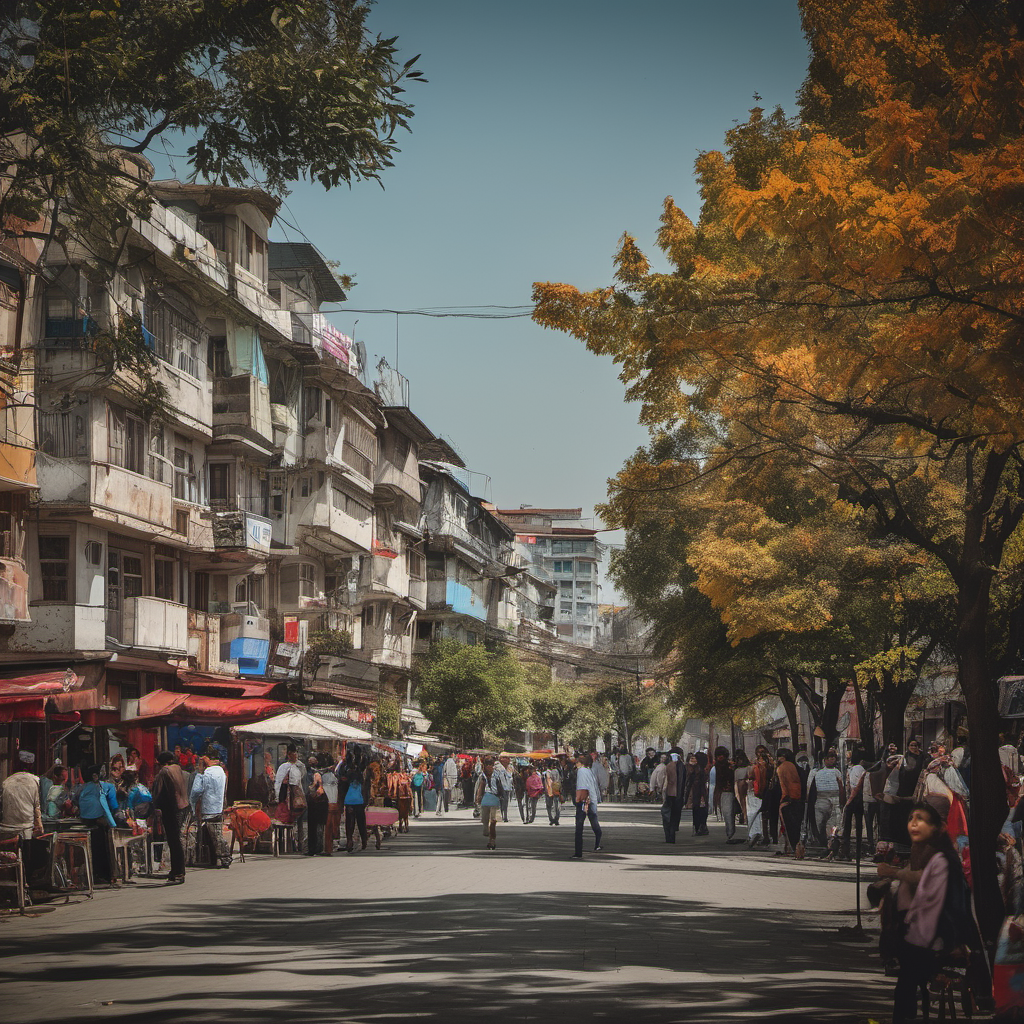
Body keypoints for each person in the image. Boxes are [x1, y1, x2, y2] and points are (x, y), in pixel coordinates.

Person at [876, 802, 968, 1023]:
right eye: (911, 819)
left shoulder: (942, 857)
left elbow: (926, 884)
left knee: (905, 986)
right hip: (919, 931)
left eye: (921, 819)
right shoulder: (922, 848)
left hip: (934, 935)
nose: (914, 824)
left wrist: (895, 873)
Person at [151, 750, 189, 884]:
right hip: (182, 807)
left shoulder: (164, 771)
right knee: (176, 840)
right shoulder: (178, 769)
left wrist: (154, 807)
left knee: (174, 841)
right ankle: (177, 871)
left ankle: (178, 872)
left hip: (170, 808)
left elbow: (157, 792)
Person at [77, 763, 118, 883]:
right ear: (95, 776)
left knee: (92, 849)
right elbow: (109, 806)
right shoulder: (102, 787)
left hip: (85, 821)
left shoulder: (82, 787)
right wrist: (112, 823)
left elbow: (74, 800)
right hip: (100, 821)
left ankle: (93, 875)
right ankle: (104, 875)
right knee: (102, 849)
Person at [190, 749, 230, 868]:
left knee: (213, 835)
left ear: (208, 758)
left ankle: (222, 857)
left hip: (208, 809)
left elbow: (196, 790)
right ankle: (219, 858)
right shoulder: (221, 772)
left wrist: (200, 771)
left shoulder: (207, 772)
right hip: (218, 807)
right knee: (217, 834)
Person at [810, 750, 845, 849]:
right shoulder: (833, 772)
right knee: (831, 823)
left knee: (824, 823)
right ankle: (828, 842)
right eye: (830, 759)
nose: (832, 761)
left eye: (833, 759)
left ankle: (827, 842)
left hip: (826, 801)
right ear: (825, 760)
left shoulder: (819, 773)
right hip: (828, 800)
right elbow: (841, 787)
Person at [571, 752, 603, 859]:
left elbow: (582, 786)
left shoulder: (581, 772)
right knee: (594, 821)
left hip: (584, 800)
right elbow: (595, 785)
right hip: (592, 799)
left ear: (580, 763)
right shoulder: (590, 771)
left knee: (579, 826)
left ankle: (578, 852)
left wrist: (581, 801)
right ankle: (597, 842)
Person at [776, 749, 804, 855]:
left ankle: (792, 848)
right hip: (795, 800)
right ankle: (793, 847)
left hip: (788, 800)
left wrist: (786, 799)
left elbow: (788, 784)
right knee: (794, 826)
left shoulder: (784, 767)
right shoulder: (794, 767)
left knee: (789, 826)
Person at [714, 747, 741, 844]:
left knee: (729, 813)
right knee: (727, 814)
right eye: (718, 756)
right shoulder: (717, 766)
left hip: (729, 792)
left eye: (722, 756)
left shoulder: (730, 766)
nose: (720, 758)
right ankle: (730, 833)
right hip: (723, 792)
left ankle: (730, 833)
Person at [475, 757, 504, 850]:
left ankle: (492, 841)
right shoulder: (482, 776)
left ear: (493, 765)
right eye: (487, 765)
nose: (489, 767)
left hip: (495, 800)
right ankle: (487, 833)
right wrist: (477, 798)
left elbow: (502, 786)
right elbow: (479, 787)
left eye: (490, 765)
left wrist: (502, 796)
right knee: (485, 822)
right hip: (485, 800)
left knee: (493, 821)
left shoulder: (498, 775)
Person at [344, 754, 369, 853]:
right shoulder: (361, 776)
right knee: (361, 822)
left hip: (349, 801)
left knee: (350, 823)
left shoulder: (347, 774)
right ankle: (364, 841)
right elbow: (365, 790)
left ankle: (349, 841)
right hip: (359, 802)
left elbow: (343, 787)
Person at [747, 747, 772, 847]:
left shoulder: (771, 767)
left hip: (768, 793)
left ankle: (767, 836)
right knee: (760, 815)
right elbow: (751, 778)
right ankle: (761, 835)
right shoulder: (755, 767)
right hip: (758, 793)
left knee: (766, 815)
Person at [661, 748, 686, 843]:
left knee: (667, 815)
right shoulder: (682, 766)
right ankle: (673, 832)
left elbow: (663, 781)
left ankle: (669, 836)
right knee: (675, 815)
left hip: (669, 793)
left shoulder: (667, 766)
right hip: (679, 794)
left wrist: (661, 790)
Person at [684, 751, 710, 836]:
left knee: (697, 810)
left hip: (697, 791)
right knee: (702, 809)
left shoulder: (696, 769)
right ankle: (702, 826)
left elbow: (690, 781)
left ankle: (698, 827)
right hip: (702, 792)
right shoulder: (704, 769)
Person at [733, 750, 750, 825]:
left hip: (744, 786)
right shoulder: (736, 770)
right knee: (741, 801)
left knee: (744, 800)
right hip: (738, 786)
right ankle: (744, 815)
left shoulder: (748, 768)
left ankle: (745, 816)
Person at [543, 759, 562, 825]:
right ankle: (556, 819)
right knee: (557, 805)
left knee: (549, 806)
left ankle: (551, 819)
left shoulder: (546, 773)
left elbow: (545, 782)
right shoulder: (557, 771)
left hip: (548, 790)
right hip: (556, 790)